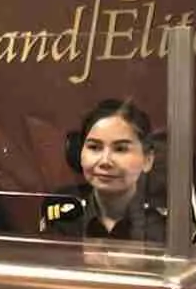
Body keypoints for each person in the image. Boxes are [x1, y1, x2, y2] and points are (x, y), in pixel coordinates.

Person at [40, 98, 166, 242]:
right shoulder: (62, 211)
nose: (105, 161)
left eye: (120, 149)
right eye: (94, 147)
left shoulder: (167, 225)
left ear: (148, 159)